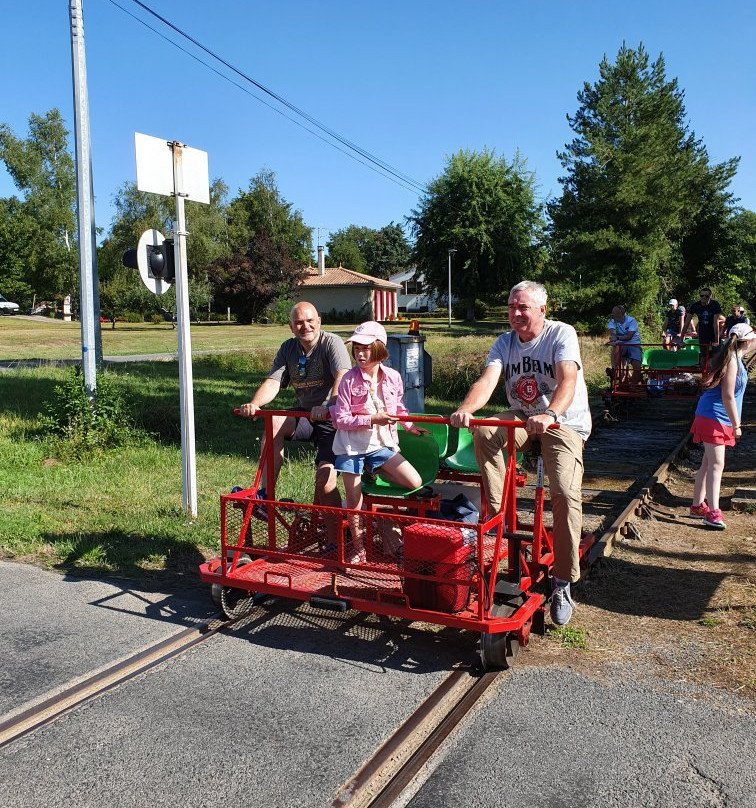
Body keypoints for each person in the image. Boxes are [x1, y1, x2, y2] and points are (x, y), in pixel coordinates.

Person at [450, 281, 592, 626]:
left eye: (522, 307)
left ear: (543, 309)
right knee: (483, 428)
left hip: (563, 423)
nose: (515, 314)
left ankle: (562, 581)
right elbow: (487, 380)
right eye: (511, 307)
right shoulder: (504, 342)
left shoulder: (561, 334)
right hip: (522, 418)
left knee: (564, 494)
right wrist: (466, 408)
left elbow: (567, 379)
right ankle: (499, 520)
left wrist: (552, 414)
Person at [331, 321, 428, 563]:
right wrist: (372, 419)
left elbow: (399, 408)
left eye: (366, 348)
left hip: (381, 446)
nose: (360, 354)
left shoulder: (393, 377)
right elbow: (341, 419)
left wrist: (409, 425)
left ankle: (374, 492)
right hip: (352, 448)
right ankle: (358, 546)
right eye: (356, 349)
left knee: (413, 480)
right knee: (353, 502)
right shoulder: (348, 381)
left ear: (379, 349)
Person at [239, 301, 351, 509]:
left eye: (310, 321)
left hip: (333, 418)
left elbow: (343, 376)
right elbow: (273, 382)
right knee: (274, 422)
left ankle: (336, 532)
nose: (305, 326)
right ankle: (266, 496)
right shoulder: (288, 348)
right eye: (299, 322)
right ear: (291, 327)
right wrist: (254, 404)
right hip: (308, 416)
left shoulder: (331, 343)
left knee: (324, 483)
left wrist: (330, 406)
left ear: (319, 322)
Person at [689, 323, 756, 529]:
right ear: (748, 341)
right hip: (714, 417)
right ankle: (712, 513)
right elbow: (727, 396)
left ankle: (697, 505)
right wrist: (737, 425)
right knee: (718, 465)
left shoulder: (734, 358)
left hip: (714, 416)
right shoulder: (733, 362)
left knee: (708, 463)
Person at [681, 288, 724, 356]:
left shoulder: (715, 305)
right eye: (702, 295)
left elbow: (715, 323)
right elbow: (687, 322)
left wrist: (717, 340)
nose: (704, 297)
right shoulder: (695, 305)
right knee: (703, 354)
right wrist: (681, 339)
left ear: (710, 296)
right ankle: (703, 366)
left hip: (713, 332)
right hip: (702, 332)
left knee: (716, 354)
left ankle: (714, 365)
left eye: (706, 296)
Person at [607, 305, 642, 385]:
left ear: (622, 314)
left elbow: (629, 336)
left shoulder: (631, 321)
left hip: (633, 344)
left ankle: (633, 386)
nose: (614, 316)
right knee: (616, 349)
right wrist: (613, 335)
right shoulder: (612, 322)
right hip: (621, 345)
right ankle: (614, 371)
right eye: (613, 314)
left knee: (637, 367)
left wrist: (617, 337)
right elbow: (612, 332)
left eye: (615, 314)